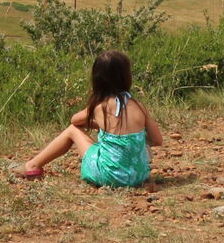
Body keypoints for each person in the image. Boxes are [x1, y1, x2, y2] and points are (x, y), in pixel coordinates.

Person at [18, 50, 163, 186]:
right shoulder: (139, 106)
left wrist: (99, 124)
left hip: (109, 177)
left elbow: (75, 120)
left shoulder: (101, 107)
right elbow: (157, 140)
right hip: (138, 176)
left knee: (72, 130)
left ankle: (33, 165)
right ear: (127, 76)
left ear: (98, 79)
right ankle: (131, 166)